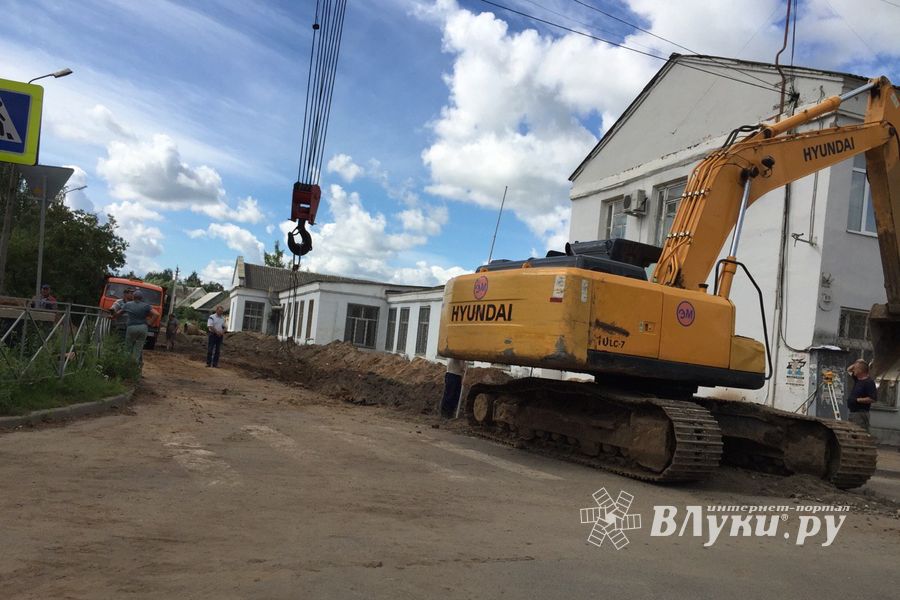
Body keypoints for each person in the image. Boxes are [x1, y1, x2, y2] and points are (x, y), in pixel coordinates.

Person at [116, 289, 159, 368]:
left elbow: (118, 313)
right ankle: (134, 367)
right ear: (141, 298)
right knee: (138, 348)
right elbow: (156, 314)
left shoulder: (128, 304)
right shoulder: (146, 305)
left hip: (131, 327)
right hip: (143, 328)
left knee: (128, 347)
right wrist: (150, 323)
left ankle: (126, 366)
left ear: (133, 297)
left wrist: (112, 317)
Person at [846, 359, 877, 432]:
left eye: (855, 369)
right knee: (852, 433)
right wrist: (857, 363)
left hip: (861, 413)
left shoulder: (869, 382)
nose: (853, 370)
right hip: (852, 412)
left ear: (860, 370)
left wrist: (857, 400)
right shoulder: (858, 379)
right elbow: (848, 370)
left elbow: (872, 399)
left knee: (859, 432)